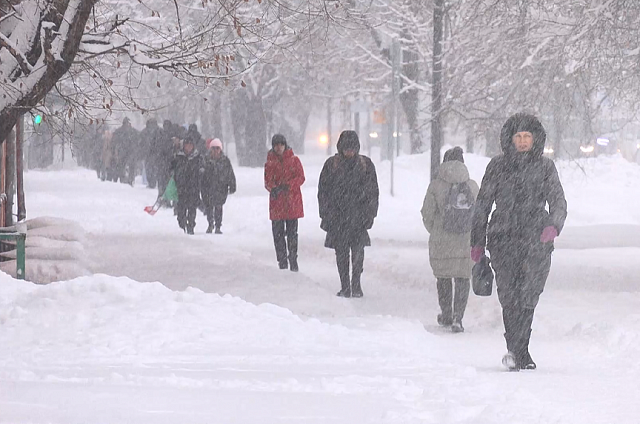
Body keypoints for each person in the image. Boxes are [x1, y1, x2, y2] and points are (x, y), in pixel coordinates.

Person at [471, 113, 567, 370]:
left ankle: (519, 350)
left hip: (536, 240)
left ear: (535, 139)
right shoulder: (497, 166)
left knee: (528, 295)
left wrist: (553, 226)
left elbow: (558, 201)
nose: (523, 141)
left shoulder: (545, 168)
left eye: (527, 137)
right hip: (503, 239)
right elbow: (482, 205)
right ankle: (517, 350)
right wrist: (477, 242)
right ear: (510, 140)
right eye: (518, 137)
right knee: (509, 296)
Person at [421, 147, 479, 333]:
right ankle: (458, 318)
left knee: (444, 277)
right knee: (463, 278)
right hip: (465, 241)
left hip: (442, 241)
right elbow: (480, 213)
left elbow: (427, 213)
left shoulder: (436, 185)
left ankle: (446, 314)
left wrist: (436, 230)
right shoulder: (472, 186)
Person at [318, 130, 379, 298]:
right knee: (342, 254)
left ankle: (356, 284)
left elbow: (373, 192)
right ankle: (345, 285)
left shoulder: (365, 165)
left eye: (352, 149)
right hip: (338, 219)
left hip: (359, 219)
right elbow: (323, 192)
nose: (349, 152)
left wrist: (370, 214)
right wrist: (326, 214)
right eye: (346, 149)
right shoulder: (332, 165)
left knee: (358, 253)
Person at [264, 134, 305, 271]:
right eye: (276, 145)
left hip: (291, 203)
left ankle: (293, 259)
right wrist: (273, 188)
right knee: (278, 235)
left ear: (285, 145)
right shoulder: (269, 163)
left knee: (292, 234)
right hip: (278, 204)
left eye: (281, 145)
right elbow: (267, 181)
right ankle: (282, 261)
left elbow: (301, 177)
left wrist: (289, 185)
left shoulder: (294, 160)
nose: (278, 148)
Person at [201, 138, 236, 234]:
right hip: (207, 187)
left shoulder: (225, 161)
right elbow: (201, 173)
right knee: (208, 207)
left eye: (217, 148)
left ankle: (218, 226)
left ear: (220, 149)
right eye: (213, 148)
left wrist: (232, 185)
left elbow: (230, 173)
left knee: (218, 207)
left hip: (221, 187)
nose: (215, 151)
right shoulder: (205, 160)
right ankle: (210, 223)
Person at [171, 136, 204, 234]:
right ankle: (182, 223)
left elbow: (203, 168)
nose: (188, 147)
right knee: (181, 209)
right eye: (187, 145)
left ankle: (191, 226)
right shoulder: (178, 157)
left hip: (193, 188)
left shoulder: (197, 157)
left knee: (192, 209)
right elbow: (172, 168)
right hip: (181, 188)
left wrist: (201, 173)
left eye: (190, 145)